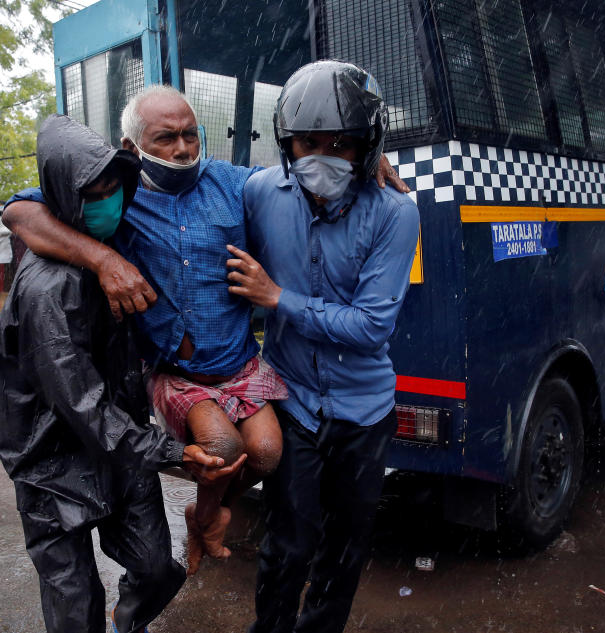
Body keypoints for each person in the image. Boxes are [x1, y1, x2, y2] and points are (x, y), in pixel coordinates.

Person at [2, 86, 292, 574]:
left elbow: (293, 185)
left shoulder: (234, 184)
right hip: (174, 369)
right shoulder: (119, 195)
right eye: (166, 139)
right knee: (222, 449)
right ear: (132, 146)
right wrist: (104, 258)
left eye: (190, 136)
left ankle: (204, 514)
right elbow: (18, 212)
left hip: (237, 362)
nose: (182, 149)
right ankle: (207, 514)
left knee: (266, 454)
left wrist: (365, 169)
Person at [0, 114, 243, 633]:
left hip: (121, 447)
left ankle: (129, 624)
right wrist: (174, 453)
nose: (109, 201)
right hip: (52, 459)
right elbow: (80, 404)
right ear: (63, 196)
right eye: (94, 192)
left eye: (114, 187)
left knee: (156, 570)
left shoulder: (121, 230)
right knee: (74, 606)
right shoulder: (48, 290)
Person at [226, 60, 421, 633]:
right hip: (293, 401)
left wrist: (277, 297)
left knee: (346, 550)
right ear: (287, 144)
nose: (323, 157)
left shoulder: (395, 212)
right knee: (288, 546)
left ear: (369, 145)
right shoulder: (260, 191)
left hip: (365, 411)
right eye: (309, 143)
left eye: (343, 145)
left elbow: (370, 328)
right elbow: (187, 196)